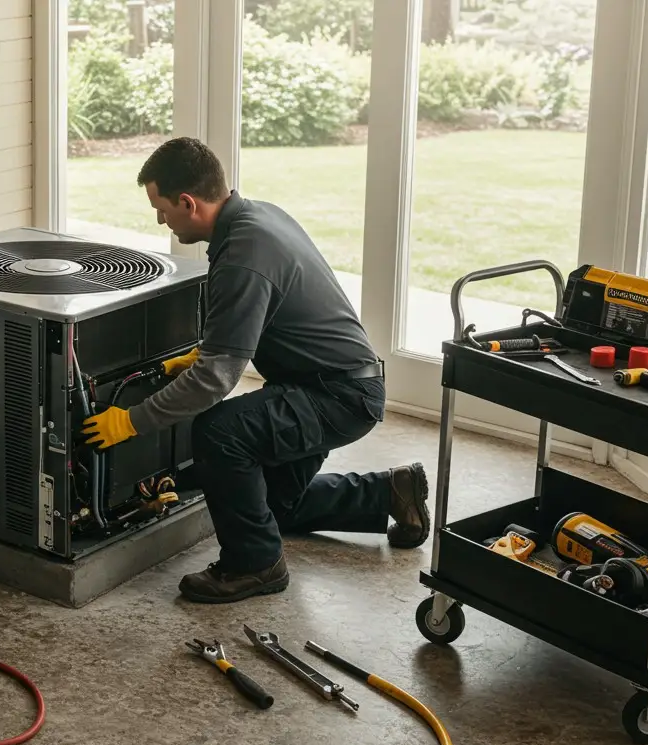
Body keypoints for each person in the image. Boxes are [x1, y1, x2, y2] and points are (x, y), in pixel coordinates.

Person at [81, 137, 431, 604]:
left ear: (188, 202)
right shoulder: (258, 218)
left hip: (337, 397)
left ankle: (253, 565)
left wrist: (131, 421)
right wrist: (205, 352)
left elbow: (214, 382)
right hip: (335, 384)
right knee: (267, 508)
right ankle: (388, 493)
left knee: (219, 433)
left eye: (162, 210)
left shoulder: (243, 253)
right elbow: (258, 319)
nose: (161, 221)